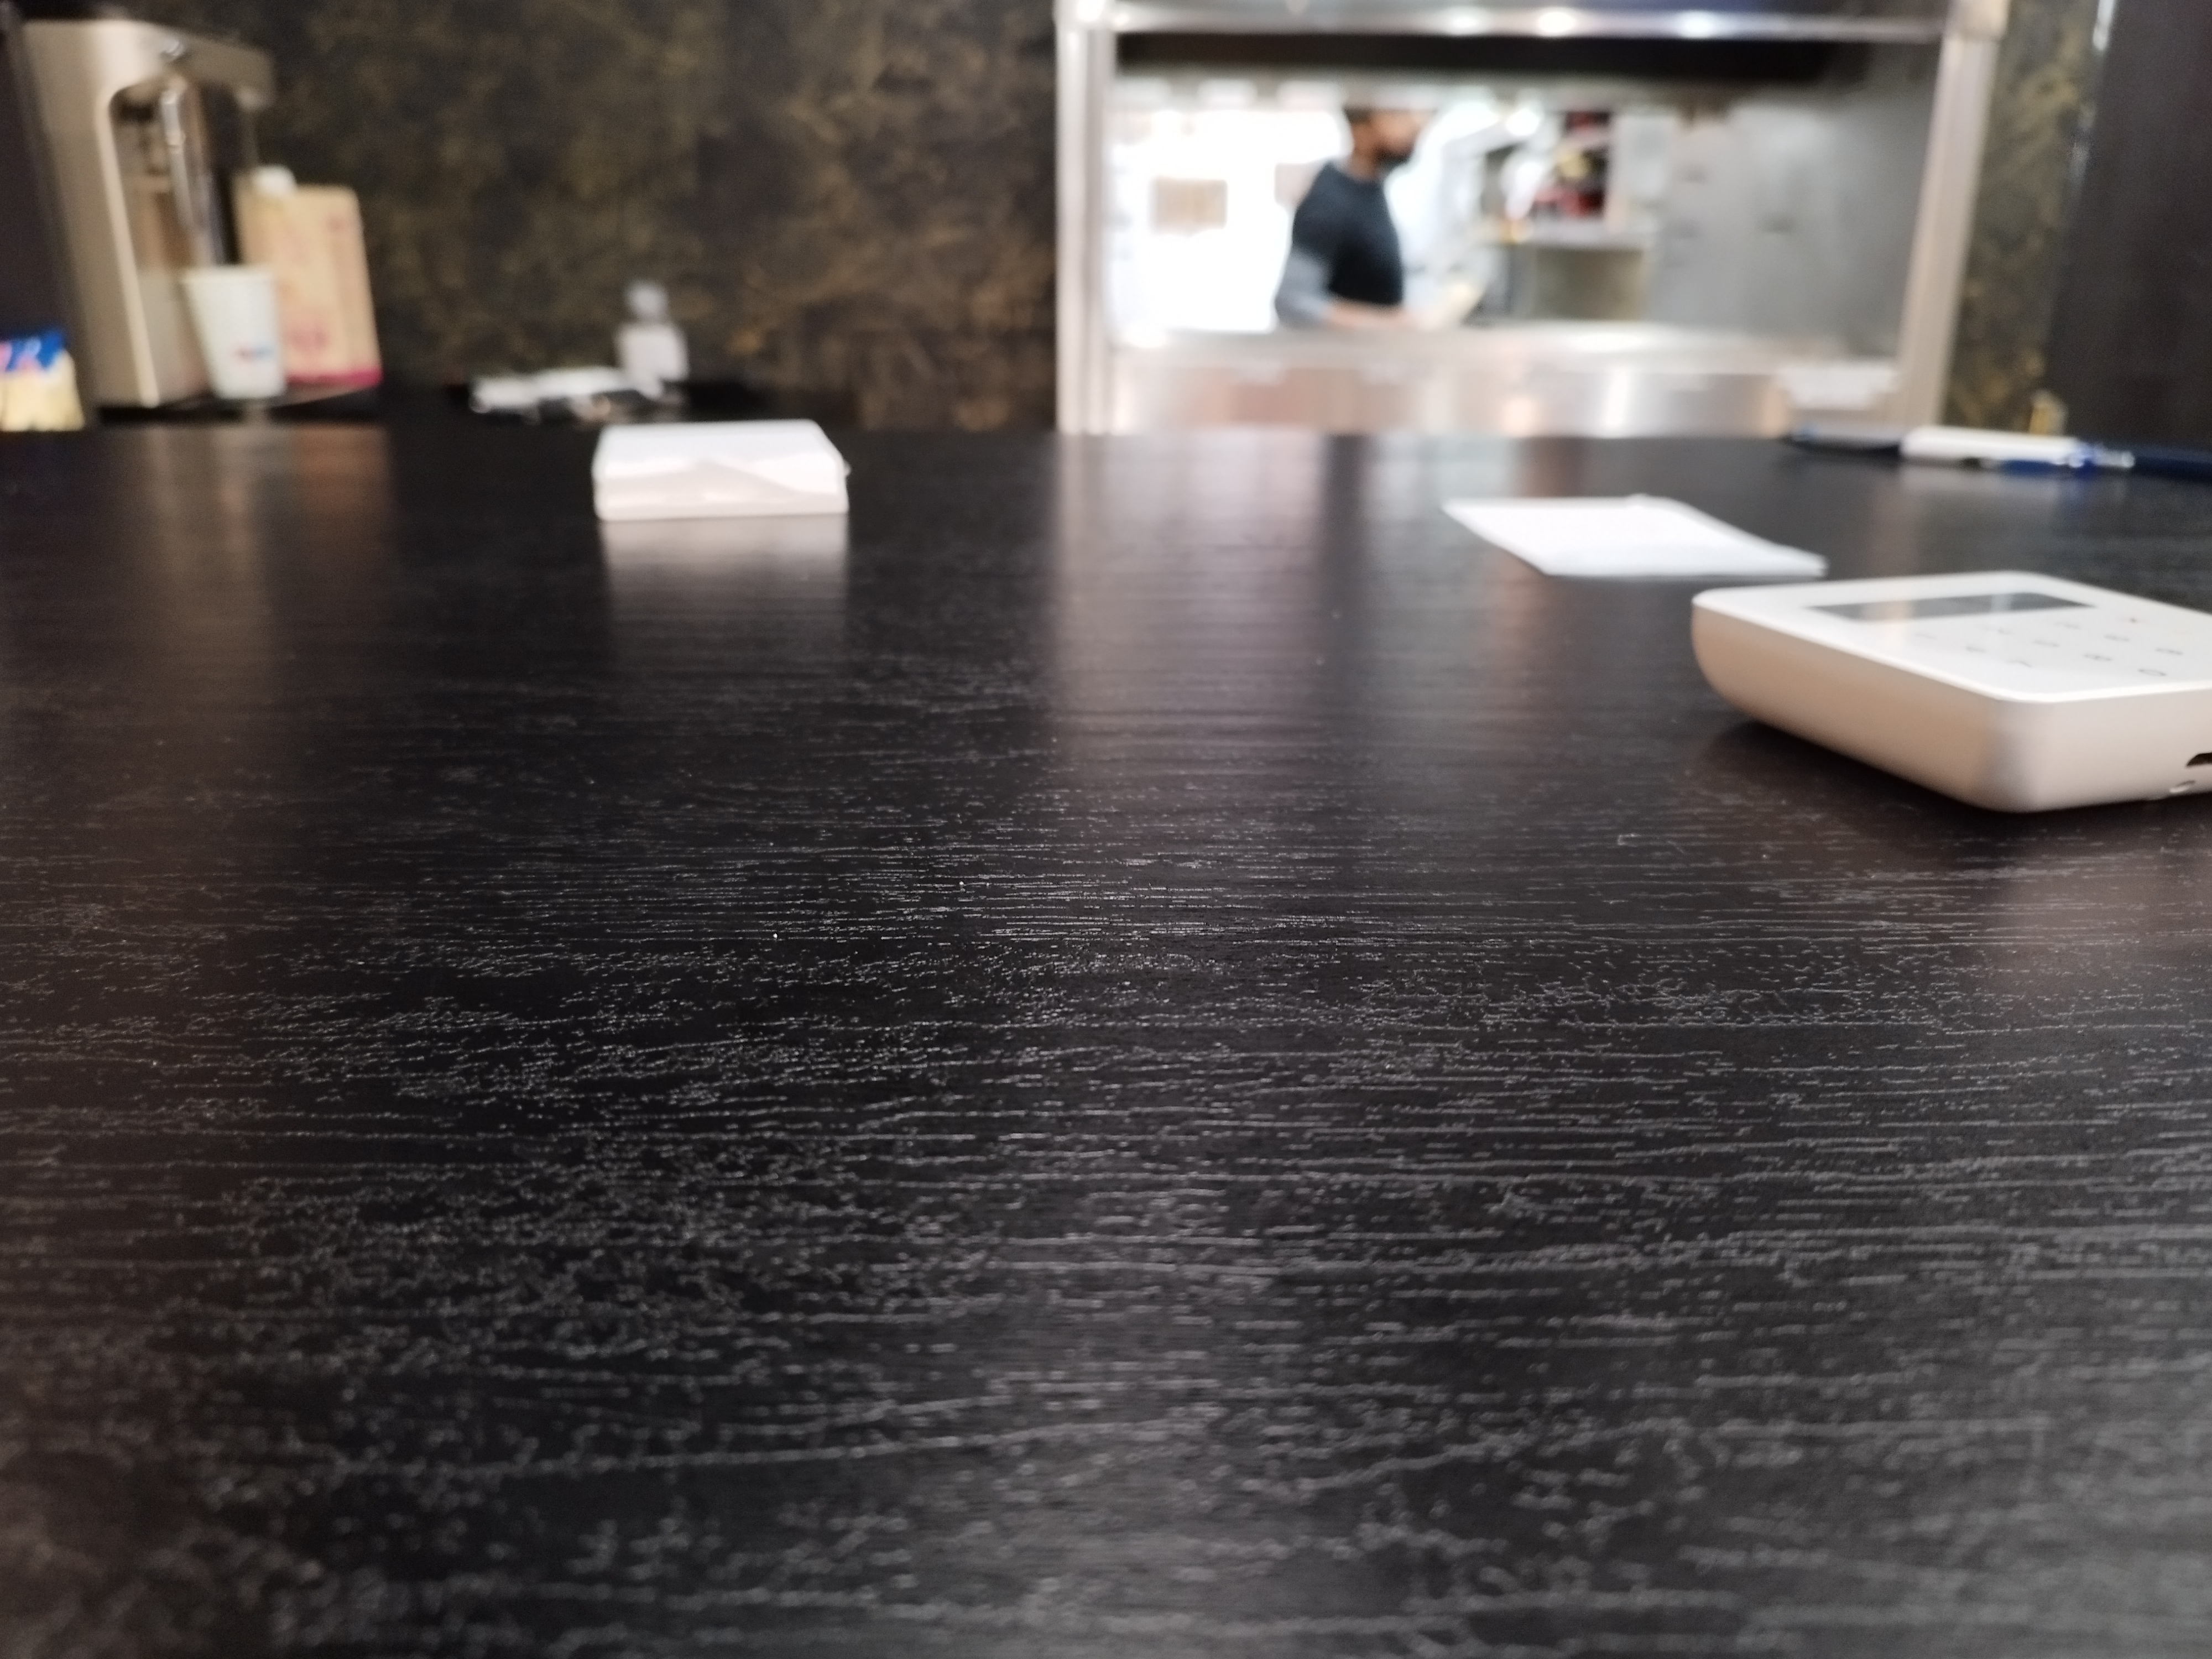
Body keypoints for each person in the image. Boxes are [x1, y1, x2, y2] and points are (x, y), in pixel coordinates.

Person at [1275, 107, 1428, 331]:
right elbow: (1292, 301)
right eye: (1396, 116)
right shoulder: (1330, 200)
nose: (1415, 125)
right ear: (1361, 130)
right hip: (1343, 352)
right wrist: (1387, 325)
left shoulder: (1370, 188)